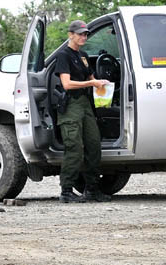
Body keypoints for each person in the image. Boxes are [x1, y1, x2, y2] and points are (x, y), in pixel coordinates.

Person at [53, 20, 112, 203]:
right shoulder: (63, 55)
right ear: (70, 35)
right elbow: (67, 84)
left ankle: (92, 190)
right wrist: (91, 83)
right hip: (71, 105)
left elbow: (91, 77)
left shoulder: (84, 55)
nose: (83, 36)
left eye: (85, 34)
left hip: (85, 104)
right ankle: (66, 191)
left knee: (94, 145)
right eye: (80, 34)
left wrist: (101, 84)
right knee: (75, 149)